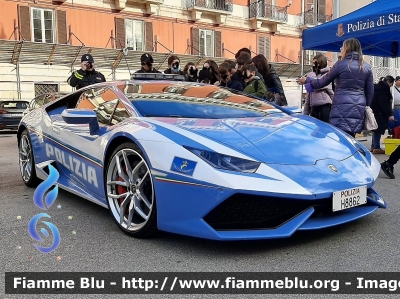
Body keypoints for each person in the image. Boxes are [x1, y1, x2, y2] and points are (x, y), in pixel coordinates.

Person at [297, 38, 374, 138]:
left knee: (342, 137)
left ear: (346, 49)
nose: (341, 49)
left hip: (341, 105)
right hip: (359, 106)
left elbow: (322, 82)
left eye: (342, 47)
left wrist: (307, 80)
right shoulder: (366, 67)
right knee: (351, 137)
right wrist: (364, 104)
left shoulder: (340, 65)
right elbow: (370, 92)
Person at [302, 54, 333, 122]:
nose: (314, 65)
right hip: (314, 108)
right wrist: (306, 112)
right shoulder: (311, 74)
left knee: (326, 130)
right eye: (313, 63)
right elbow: (309, 94)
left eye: (316, 63)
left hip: (325, 107)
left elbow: (328, 90)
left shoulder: (327, 74)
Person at [370, 75, 395, 154]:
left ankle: (373, 146)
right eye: (391, 84)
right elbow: (383, 103)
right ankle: (376, 147)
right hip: (380, 112)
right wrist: (389, 114)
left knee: (375, 129)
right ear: (389, 82)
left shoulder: (377, 87)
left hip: (374, 111)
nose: (391, 86)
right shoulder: (383, 89)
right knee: (378, 129)